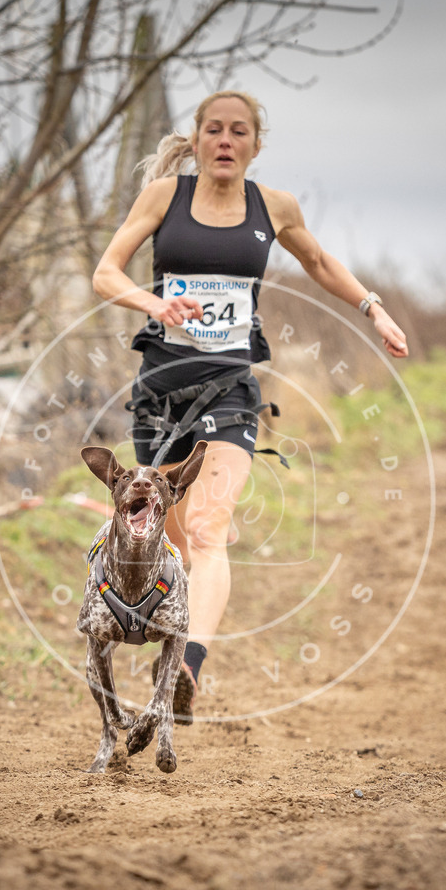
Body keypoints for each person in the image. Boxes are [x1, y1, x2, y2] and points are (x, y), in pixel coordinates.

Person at [92, 90, 408, 721]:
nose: (226, 140)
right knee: (170, 539)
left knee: (205, 532)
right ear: (199, 139)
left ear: (255, 145)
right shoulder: (164, 198)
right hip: (160, 388)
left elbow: (317, 261)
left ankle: (187, 663)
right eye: (214, 130)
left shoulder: (274, 206)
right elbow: (107, 272)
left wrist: (373, 308)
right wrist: (155, 305)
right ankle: (193, 578)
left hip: (230, 389)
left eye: (239, 131)